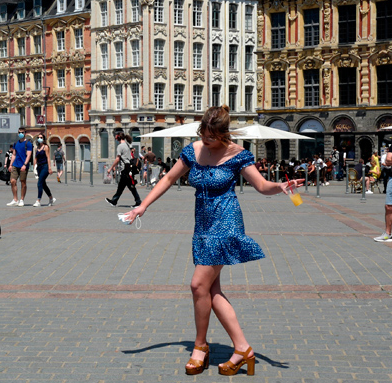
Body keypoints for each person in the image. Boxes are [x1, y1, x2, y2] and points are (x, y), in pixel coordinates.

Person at [122, 105, 302, 376]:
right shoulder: (192, 151)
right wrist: (142, 206)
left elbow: (262, 186)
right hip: (203, 224)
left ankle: (200, 346)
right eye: (203, 134)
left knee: (197, 285)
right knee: (210, 290)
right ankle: (242, 349)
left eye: (211, 136)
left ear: (222, 133)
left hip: (226, 222)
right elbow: (170, 178)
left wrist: (280, 187)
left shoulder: (237, 154)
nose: (205, 140)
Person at [106, 132, 142, 207]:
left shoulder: (120, 146)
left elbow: (117, 159)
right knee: (126, 186)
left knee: (126, 186)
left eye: (116, 138)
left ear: (118, 138)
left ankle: (138, 201)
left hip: (125, 168)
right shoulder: (127, 144)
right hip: (128, 167)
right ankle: (114, 200)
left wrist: (111, 167)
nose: (116, 139)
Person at [7, 128, 33, 207]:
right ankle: (15, 199)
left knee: (23, 183)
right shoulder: (16, 143)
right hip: (15, 165)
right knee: (12, 181)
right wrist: (10, 165)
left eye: (22, 132)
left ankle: (22, 199)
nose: (20, 134)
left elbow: (29, 155)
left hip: (23, 166)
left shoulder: (28, 143)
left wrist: (25, 165)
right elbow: (14, 154)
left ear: (25, 133)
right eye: (19, 132)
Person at [32, 132, 56, 207]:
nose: (39, 139)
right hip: (39, 167)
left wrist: (49, 168)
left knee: (39, 183)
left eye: (41, 137)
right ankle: (51, 198)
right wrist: (34, 167)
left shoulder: (46, 147)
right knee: (43, 184)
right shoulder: (37, 148)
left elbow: (48, 157)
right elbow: (35, 158)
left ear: (44, 139)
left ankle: (38, 200)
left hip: (45, 166)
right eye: (38, 137)